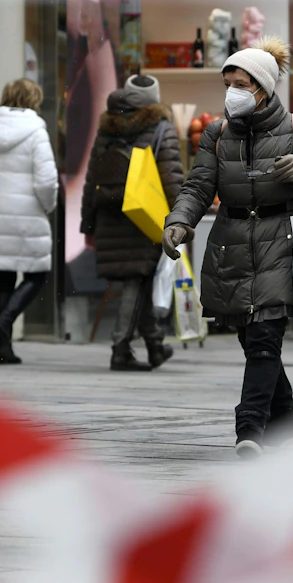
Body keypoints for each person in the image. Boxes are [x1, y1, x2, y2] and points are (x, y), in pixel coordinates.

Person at [162, 37, 293, 458]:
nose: (232, 93)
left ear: (262, 87)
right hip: (232, 245)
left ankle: (250, 430)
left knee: (264, 339)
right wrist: (180, 220)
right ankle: (284, 421)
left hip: (282, 241)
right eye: (228, 84)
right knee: (252, 340)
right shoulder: (217, 134)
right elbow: (200, 184)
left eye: (241, 83)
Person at [81, 75, 184, 371]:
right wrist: (181, 217)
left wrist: (88, 225)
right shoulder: (160, 127)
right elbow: (171, 176)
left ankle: (153, 345)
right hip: (142, 214)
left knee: (138, 278)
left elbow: (91, 180)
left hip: (108, 214)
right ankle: (120, 348)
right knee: (136, 280)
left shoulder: (107, 127)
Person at [0, 79, 59, 364]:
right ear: (33, 100)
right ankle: (4, 321)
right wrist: (47, 206)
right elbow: (46, 180)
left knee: (5, 276)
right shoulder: (36, 132)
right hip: (26, 215)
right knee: (36, 274)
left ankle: (3, 348)